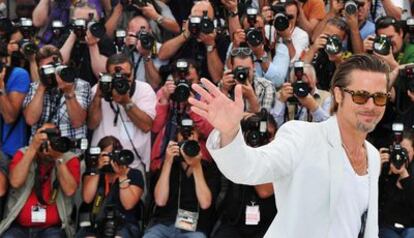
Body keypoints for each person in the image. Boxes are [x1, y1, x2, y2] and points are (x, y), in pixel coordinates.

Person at [189, 54, 390, 237]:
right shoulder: (302, 137)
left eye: (379, 97)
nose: (371, 106)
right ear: (338, 95)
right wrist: (230, 132)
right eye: (361, 96)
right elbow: (249, 167)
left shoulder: (372, 156)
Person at [0, 123, 81, 238]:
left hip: (52, 228)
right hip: (19, 227)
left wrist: (58, 158)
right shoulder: (24, 153)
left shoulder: (69, 159)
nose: (47, 145)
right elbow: (15, 182)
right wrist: (33, 148)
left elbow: (70, 190)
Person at [88, 53, 156, 171]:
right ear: (107, 75)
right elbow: (92, 124)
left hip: (134, 163)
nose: (122, 80)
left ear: (133, 72)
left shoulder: (145, 90)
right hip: (102, 162)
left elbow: (146, 126)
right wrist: (98, 97)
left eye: (126, 76)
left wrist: (126, 102)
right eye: (115, 76)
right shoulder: (98, 89)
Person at [78, 136, 144, 238]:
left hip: (124, 224)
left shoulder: (134, 174)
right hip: (95, 223)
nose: (111, 159)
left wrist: (122, 176)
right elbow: (87, 198)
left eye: (114, 155)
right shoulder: (92, 173)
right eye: (107, 155)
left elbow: (128, 204)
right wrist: (97, 169)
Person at [378, 129, 414, 238]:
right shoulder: (385, 168)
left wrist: (404, 175)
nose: (400, 156)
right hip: (387, 226)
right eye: (398, 151)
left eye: (405, 151)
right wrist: (377, 169)